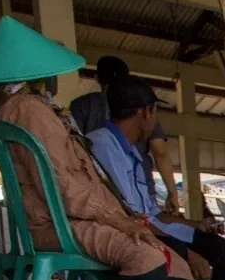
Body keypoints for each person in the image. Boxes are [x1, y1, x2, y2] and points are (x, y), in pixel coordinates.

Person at [0, 17, 194, 280]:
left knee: (178, 268)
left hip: (75, 216)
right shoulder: (29, 111)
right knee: (148, 260)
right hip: (59, 221)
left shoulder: (25, 108)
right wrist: (116, 219)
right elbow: (60, 183)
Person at [87, 76, 225, 280]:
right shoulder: (104, 146)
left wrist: (194, 224)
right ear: (145, 112)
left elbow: (151, 213)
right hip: (128, 231)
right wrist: (187, 253)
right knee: (178, 268)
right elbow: (129, 215)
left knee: (220, 250)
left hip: (147, 226)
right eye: (154, 112)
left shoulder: (130, 151)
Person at [70, 55, 182, 215]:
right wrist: (172, 193)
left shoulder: (82, 105)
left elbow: (73, 145)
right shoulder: (141, 106)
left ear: (97, 77)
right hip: (139, 191)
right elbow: (160, 152)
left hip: (97, 195)